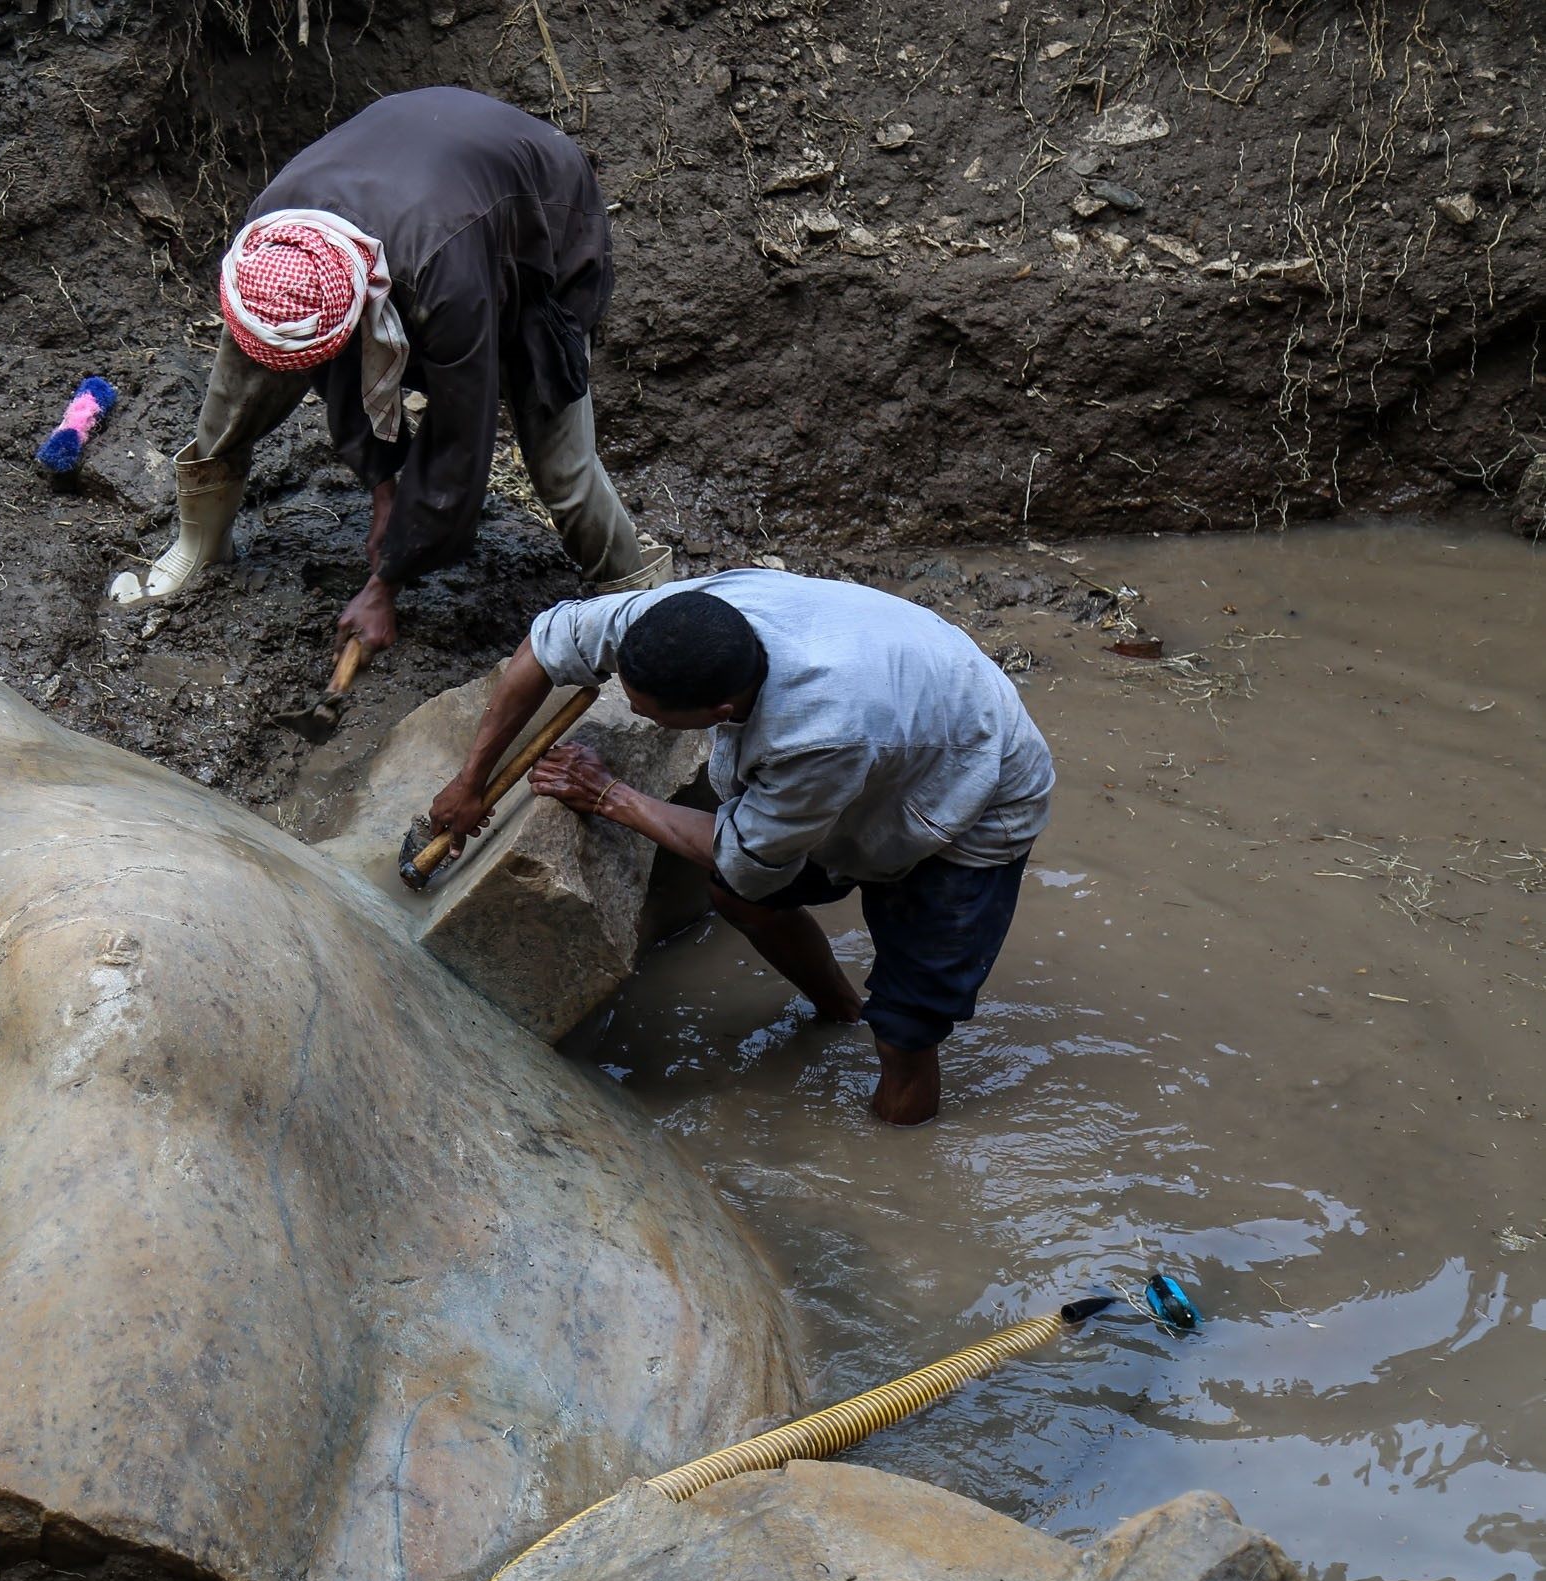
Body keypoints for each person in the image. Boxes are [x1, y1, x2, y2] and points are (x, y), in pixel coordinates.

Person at [427, 572, 1055, 1125]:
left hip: (967, 797)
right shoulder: (681, 616)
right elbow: (545, 645)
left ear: (722, 710)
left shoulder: (818, 732)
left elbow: (746, 857)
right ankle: (842, 1010)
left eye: (655, 716)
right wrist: (471, 780)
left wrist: (610, 794)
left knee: (907, 1034)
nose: (644, 722)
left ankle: (902, 1147)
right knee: (740, 902)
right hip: (895, 720)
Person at [106, 87, 670, 644]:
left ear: (353, 307)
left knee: (558, 458)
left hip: (533, 217)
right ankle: (200, 542)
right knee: (237, 387)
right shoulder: (269, 237)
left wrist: (386, 583)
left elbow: (461, 441)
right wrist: (383, 485)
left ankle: (636, 602)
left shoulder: (446, 284)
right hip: (420, 174)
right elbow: (335, 367)